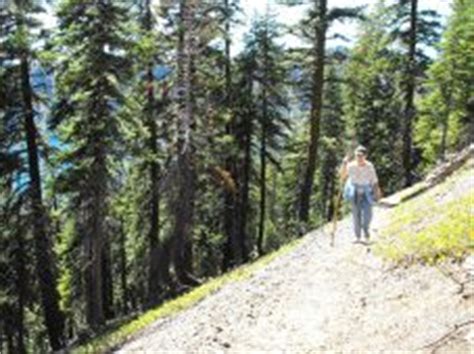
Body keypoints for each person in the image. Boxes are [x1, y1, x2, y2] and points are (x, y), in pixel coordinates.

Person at [340, 145, 382, 243]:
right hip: (354, 192)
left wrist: (377, 193)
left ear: (365, 156)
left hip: (366, 192)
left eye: (361, 155)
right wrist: (344, 164)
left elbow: (374, 181)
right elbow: (342, 177)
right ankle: (357, 236)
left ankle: (366, 232)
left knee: (368, 214)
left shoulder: (369, 166)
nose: (358, 158)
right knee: (356, 215)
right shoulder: (351, 166)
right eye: (357, 155)